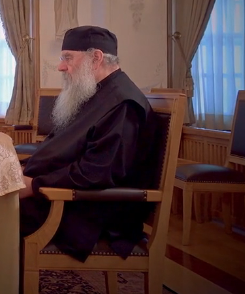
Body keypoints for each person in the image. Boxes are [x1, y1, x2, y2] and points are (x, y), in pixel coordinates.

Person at [19, 25, 157, 262]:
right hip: (66, 198)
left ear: (96, 58)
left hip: (88, 214)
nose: (61, 66)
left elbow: (96, 173)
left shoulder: (123, 104)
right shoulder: (94, 93)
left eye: (68, 58)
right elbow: (63, 148)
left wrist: (34, 184)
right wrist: (25, 169)